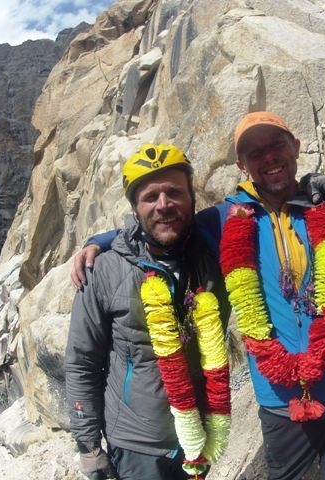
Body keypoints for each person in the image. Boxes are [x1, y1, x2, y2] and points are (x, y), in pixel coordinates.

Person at [72, 79, 325, 480]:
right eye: (255, 153)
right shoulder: (225, 222)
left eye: (277, 145)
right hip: (279, 403)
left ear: (295, 146)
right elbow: (166, 224)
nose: (269, 158)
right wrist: (98, 242)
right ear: (243, 166)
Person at [65, 144, 234, 480]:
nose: (163, 205)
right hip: (137, 446)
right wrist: (89, 446)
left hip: (198, 434)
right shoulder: (104, 271)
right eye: (150, 196)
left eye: (174, 193)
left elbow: (265, 205)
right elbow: (82, 361)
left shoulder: (213, 253)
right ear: (134, 207)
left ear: (192, 199)